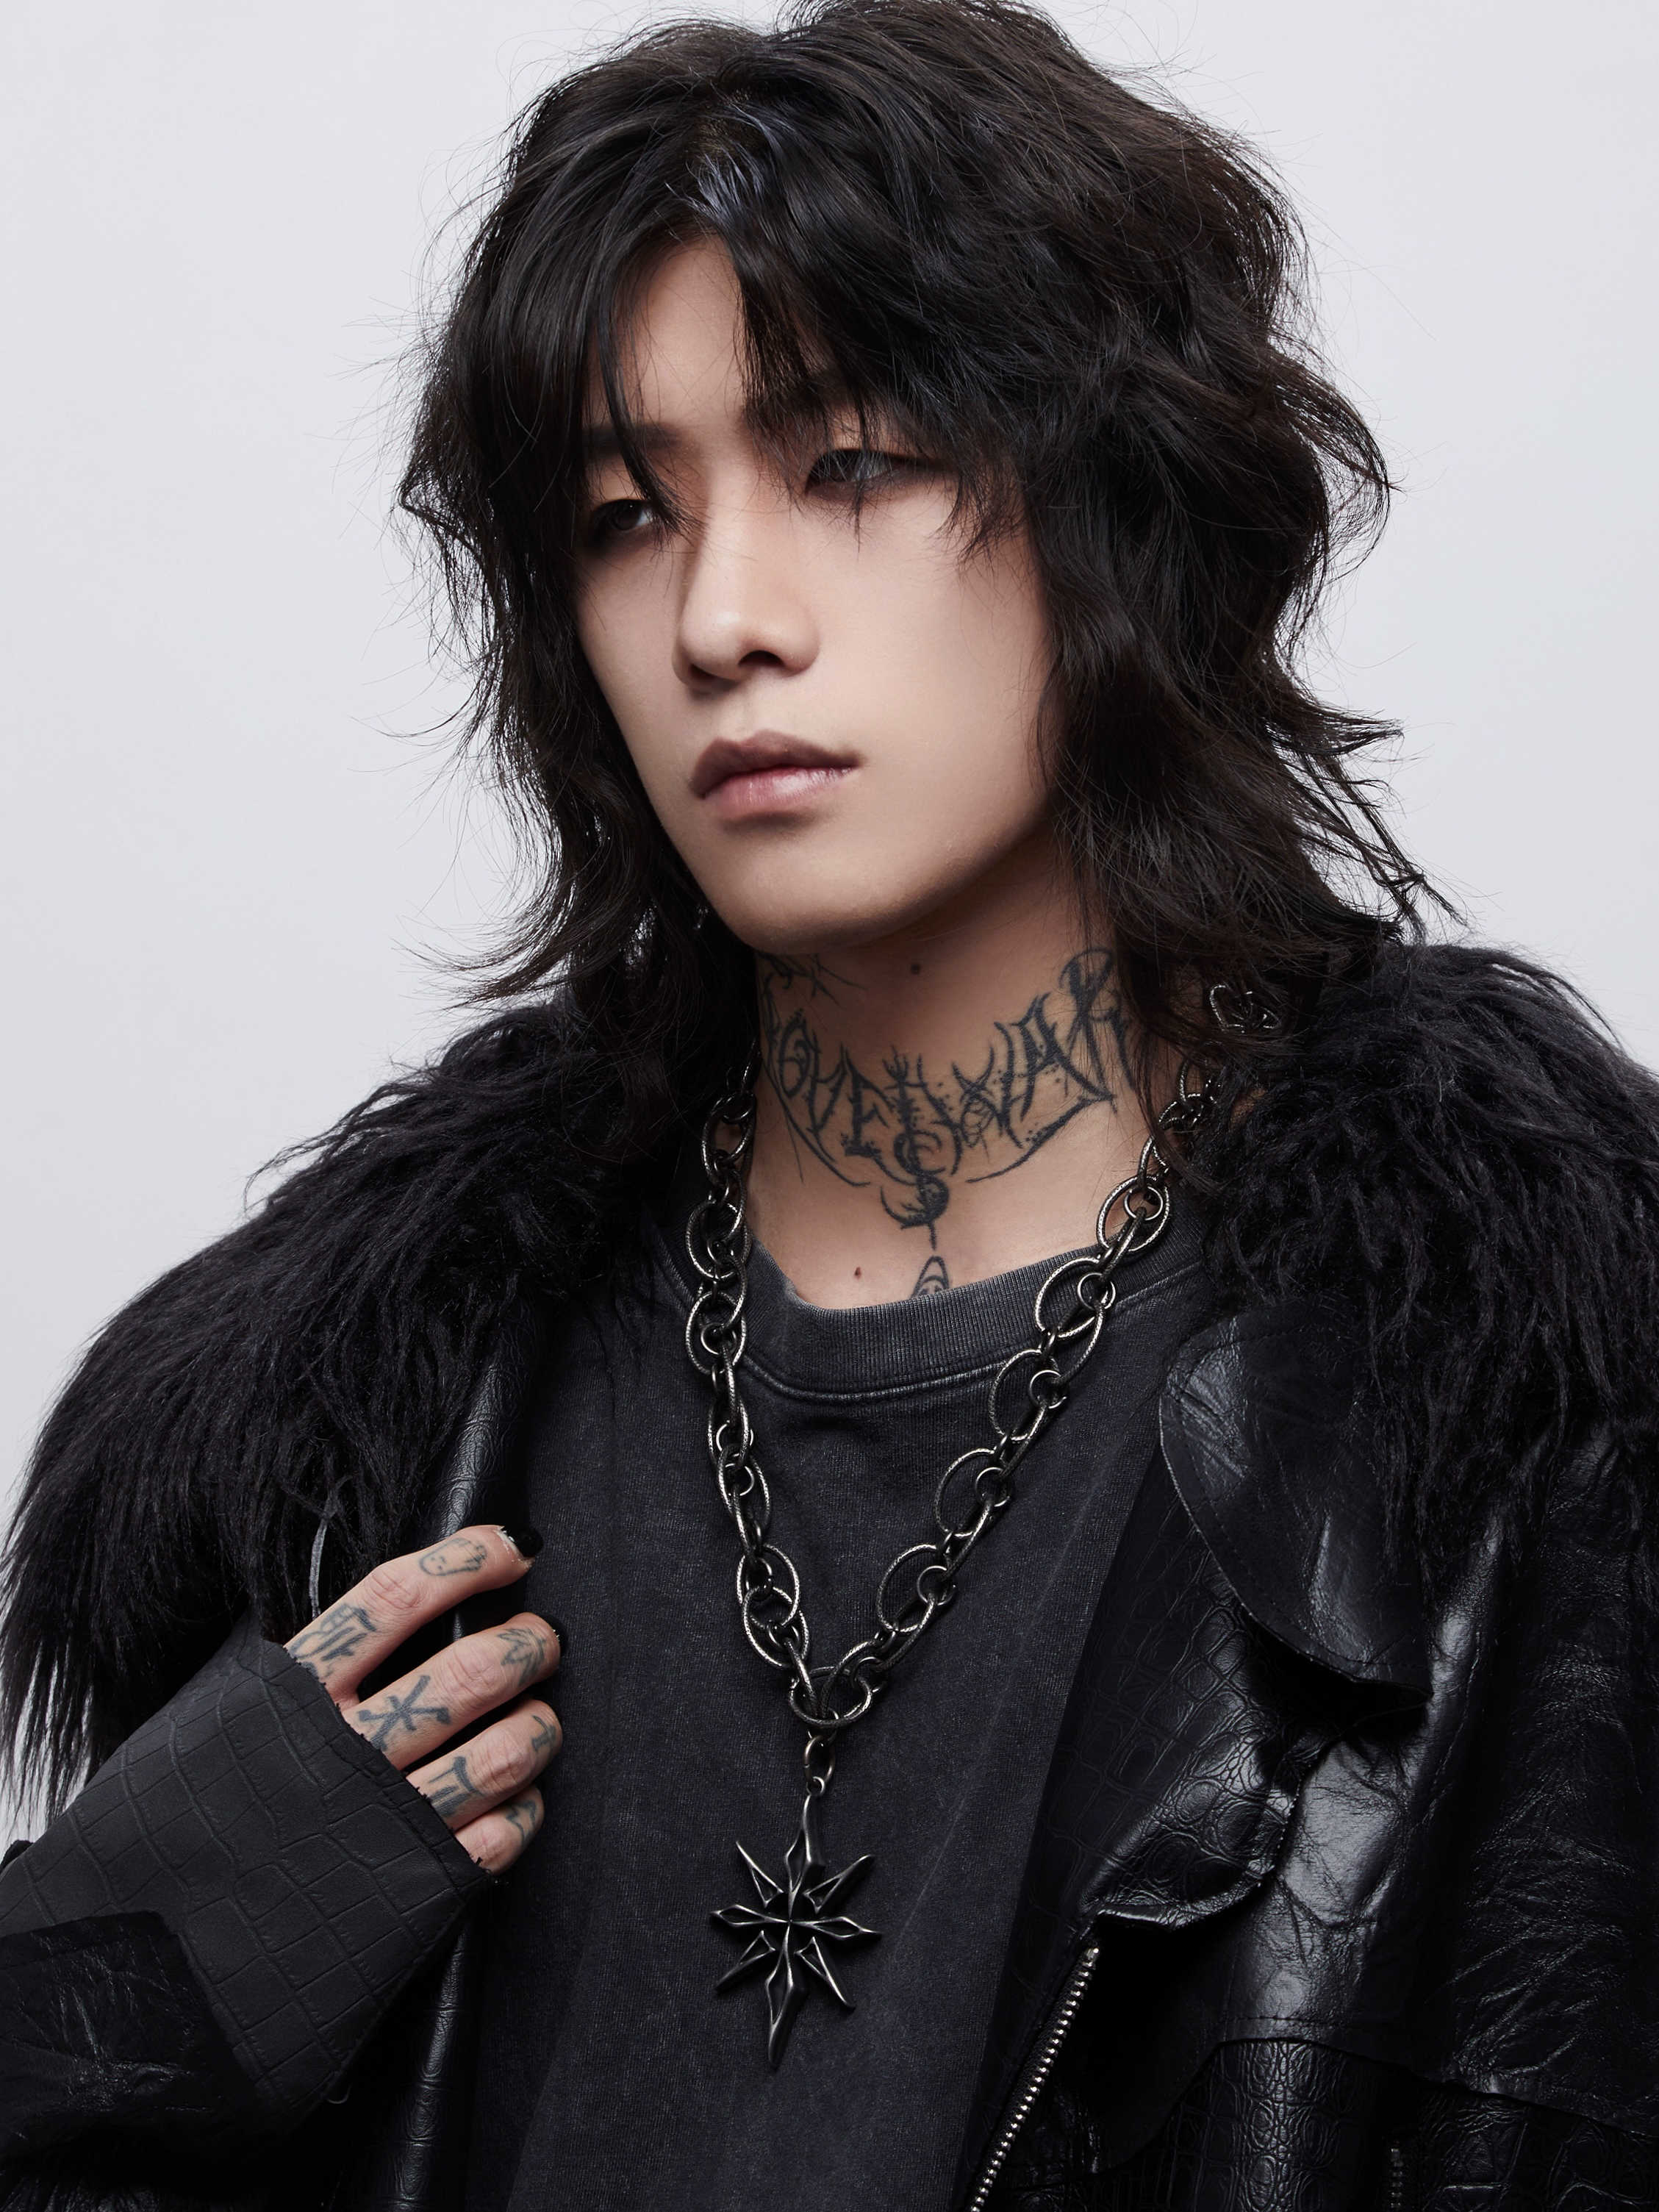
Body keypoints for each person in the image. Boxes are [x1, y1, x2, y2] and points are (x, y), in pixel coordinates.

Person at [2, 0, 1656, 2205]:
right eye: (622, 515)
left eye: (854, 465)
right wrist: (93, 2000)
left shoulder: (1525, 1429)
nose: (720, 616)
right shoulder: (359, 1435)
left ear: (1120, 500)